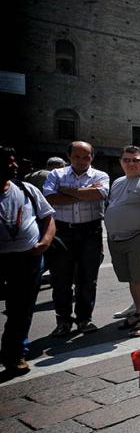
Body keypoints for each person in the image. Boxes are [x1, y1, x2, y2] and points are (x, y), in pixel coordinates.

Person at [42, 141, 110, 336]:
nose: (81, 161)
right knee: (61, 278)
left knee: (88, 278)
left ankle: (84, 319)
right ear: (69, 157)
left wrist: (66, 191)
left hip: (91, 232)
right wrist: (84, 194)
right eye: (77, 157)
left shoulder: (100, 175)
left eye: (86, 157)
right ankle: (63, 321)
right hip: (63, 232)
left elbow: (100, 194)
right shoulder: (57, 174)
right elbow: (50, 198)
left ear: (92, 158)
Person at [0, 146, 56, 378]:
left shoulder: (26, 189)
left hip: (28, 258)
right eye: (8, 162)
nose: (14, 165)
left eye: (14, 161)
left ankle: (14, 353)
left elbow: (47, 216)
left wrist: (44, 242)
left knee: (21, 310)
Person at [104, 146, 140, 338]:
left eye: (135, 160)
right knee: (132, 278)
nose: (131, 163)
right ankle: (138, 313)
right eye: (126, 160)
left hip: (138, 239)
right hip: (118, 240)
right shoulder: (118, 182)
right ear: (121, 162)